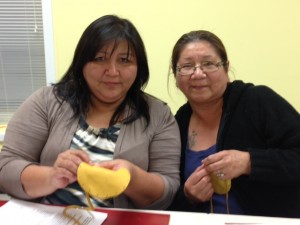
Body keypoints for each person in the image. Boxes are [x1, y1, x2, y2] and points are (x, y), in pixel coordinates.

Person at [0, 15, 181, 210]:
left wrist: (132, 177)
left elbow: (168, 190)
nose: (112, 71)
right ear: (82, 63)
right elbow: (6, 168)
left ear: (139, 67)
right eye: (100, 58)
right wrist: (53, 176)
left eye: (124, 60)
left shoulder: (158, 114)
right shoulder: (47, 100)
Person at [167, 30, 300, 218]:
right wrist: (188, 196)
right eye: (187, 66)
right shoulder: (177, 123)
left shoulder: (257, 101)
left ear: (226, 68)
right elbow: (168, 198)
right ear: (176, 75)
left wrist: (249, 162)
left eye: (208, 64)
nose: (198, 74)